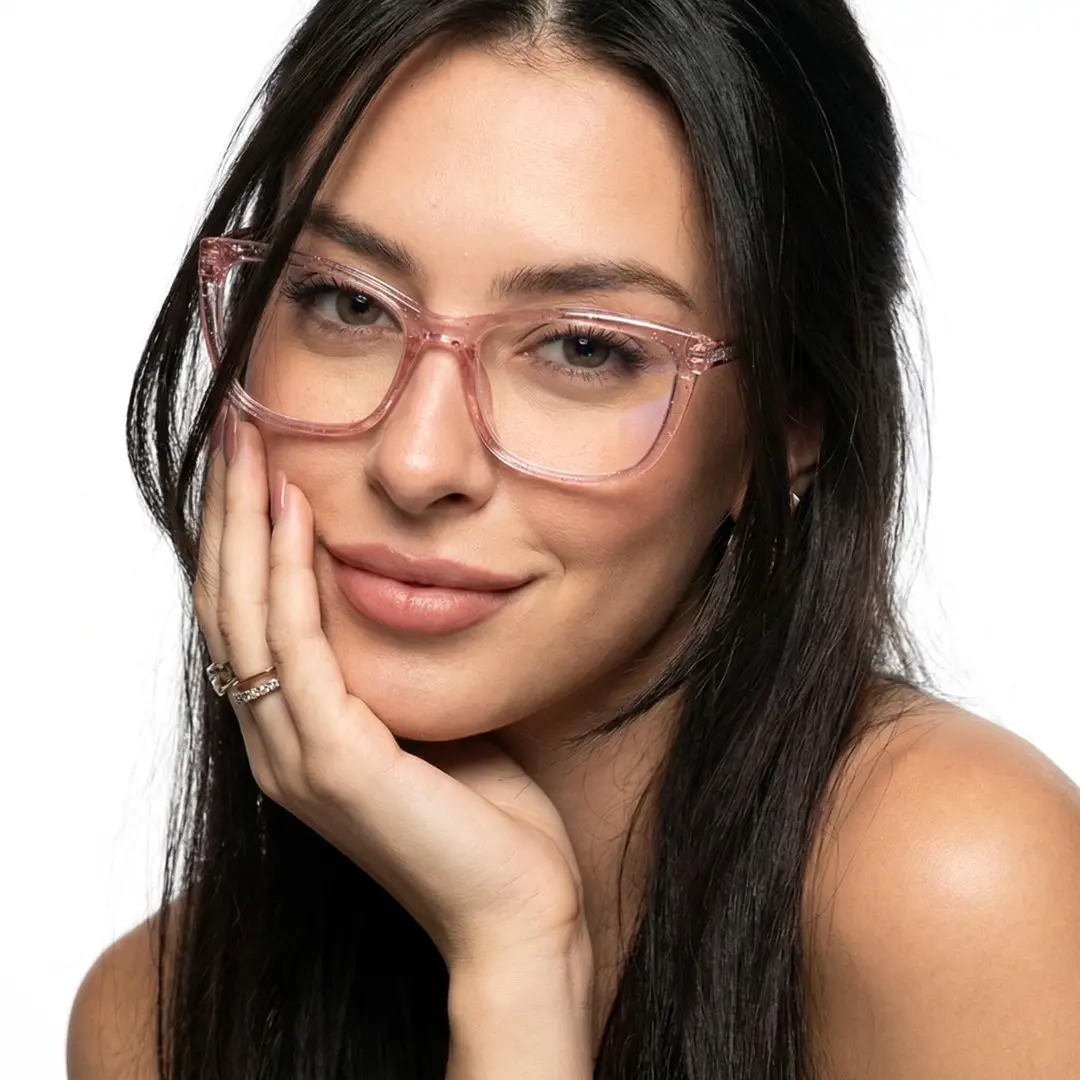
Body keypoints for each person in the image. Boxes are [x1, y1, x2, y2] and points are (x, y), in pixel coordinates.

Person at [66, 1, 1080, 1077]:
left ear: (788, 427)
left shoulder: (957, 884)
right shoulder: (157, 1016)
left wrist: (518, 957)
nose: (417, 463)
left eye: (586, 348)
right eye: (347, 304)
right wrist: (514, 959)